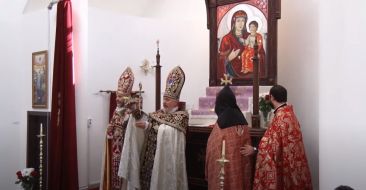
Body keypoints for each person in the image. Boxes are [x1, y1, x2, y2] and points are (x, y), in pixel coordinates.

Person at [241, 84, 313, 190]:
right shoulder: (290, 114)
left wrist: (254, 149)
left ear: (272, 97)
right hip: (294, 165)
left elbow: (269, 147)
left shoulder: (279, 118)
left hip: (284, 165)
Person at [135, 66, 189, 190]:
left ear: (176, 101)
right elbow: (150, 121)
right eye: (164, 98)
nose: (165, 102)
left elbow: (170, 133)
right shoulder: (159, 113)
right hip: (152, 159)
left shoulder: (181, 116)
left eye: (168, 100)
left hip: (167, 162)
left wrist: (149, 126)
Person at [205, 85, 253, 190]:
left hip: (225, 173)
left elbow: (211, 151)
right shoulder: (243, 121)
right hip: (239, 171)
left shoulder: (220, 125)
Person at [100, 67, 135, 190]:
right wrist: (109, 130)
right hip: (115, 147)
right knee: (114, 173)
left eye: (120, 96)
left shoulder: (130, 112)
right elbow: (112, 126)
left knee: (123, 175)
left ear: (126, 97)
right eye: (116, 96)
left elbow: (131, 131)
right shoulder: (116, 110)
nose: (117, 99)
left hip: (124, 149)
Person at [218, 10, 249, 78]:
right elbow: (220, 59)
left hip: (248, 71)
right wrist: (228, 58)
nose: (241, 23)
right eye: (238, 21)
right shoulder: (226, 38)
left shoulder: (249, 36)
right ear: (233, 22)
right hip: (232, 73)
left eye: (243, 20)